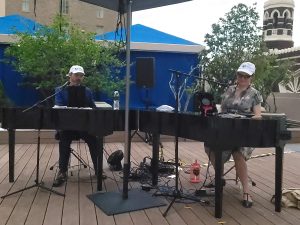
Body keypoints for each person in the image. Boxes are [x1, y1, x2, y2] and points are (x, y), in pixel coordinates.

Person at [205, 62, 262, 208]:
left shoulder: (255, 93)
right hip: (226, 129)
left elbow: (257, 115)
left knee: (238, 153)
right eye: (240, 75)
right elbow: (222, 109)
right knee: (209, 145)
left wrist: (246, 119)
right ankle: (220, 176)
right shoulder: (229, 89)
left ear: (251, 77)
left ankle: (246, 192)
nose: (242, 78)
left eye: (246, 76)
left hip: (244, 132)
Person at [53, 65, 102, 187]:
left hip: (84, 126)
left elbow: (93, 107)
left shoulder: (87, 91)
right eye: (76, 75)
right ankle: (62, 172)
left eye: (81, 76)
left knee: (94, 141)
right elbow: (58, 108)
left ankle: (98, 170)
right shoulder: (60, 90)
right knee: (64, 142)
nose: (78, 78)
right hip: (67, 125)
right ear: (69, 75)